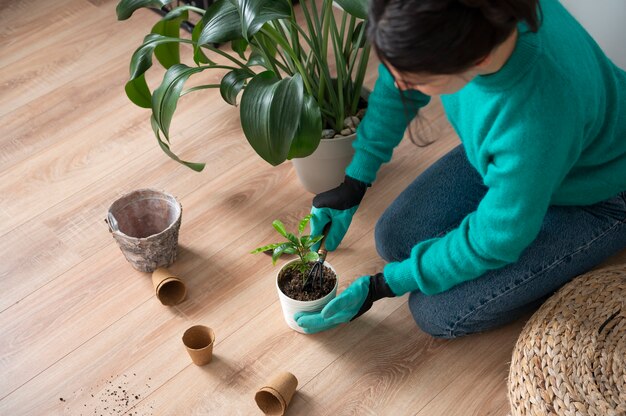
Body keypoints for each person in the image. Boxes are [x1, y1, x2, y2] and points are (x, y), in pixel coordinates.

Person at [294, 0, 626, 337]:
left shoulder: (533, 121)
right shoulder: (477, 18)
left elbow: (494, 240)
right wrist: (355, 180)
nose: (399, 83)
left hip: (598, 193)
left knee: (435, 313)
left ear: (477, 60)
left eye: (414, 80)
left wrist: (384, 285)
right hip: (522, 164)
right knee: (392, 238)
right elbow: (397, 80)